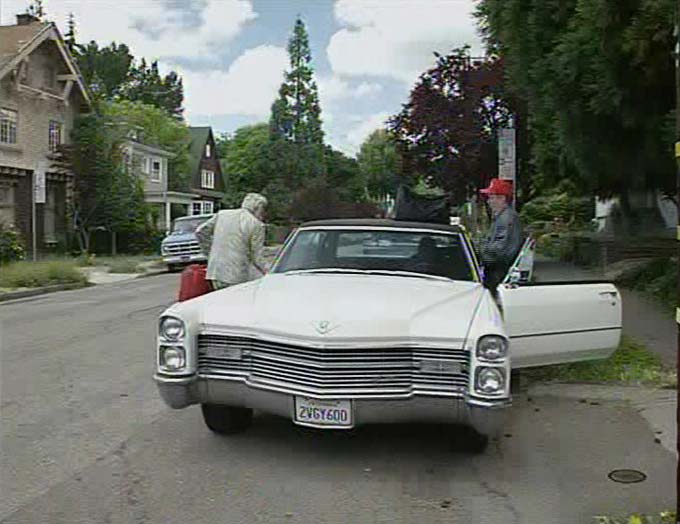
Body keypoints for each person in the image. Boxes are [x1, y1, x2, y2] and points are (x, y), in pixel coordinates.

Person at [195, 193, 268, 290]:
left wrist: (209, 251)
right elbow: (257, 257)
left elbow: (200, 232)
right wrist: (270, 271)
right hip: (237, 275)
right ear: (258, 208)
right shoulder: (256, 224)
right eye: (263, 209)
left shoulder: (222, 214)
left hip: (215, 271)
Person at [478, 178, 523, 294]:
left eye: (491, 197)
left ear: (502, 198)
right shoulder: (503, 217)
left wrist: (479, 251)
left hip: (498, 273)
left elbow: (500, 250)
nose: (489, 201)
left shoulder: (506, 219)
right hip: (497, 271)